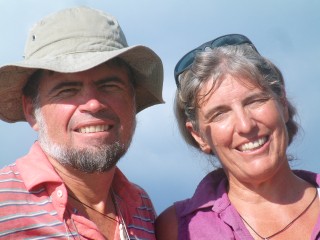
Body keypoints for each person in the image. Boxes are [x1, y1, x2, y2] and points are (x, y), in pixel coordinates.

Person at [0, 6, 163, 240]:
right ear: (31, 111)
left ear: (133, 101)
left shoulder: (142, 207)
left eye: (110, 86)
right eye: (67, 90)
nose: (93, 104)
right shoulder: (4, 204)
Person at [155, 34, 320, 240]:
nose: (245, 125)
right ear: (198, 136)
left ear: (283, 105)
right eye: (220, 114)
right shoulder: (175, 229)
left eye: (255, 101)